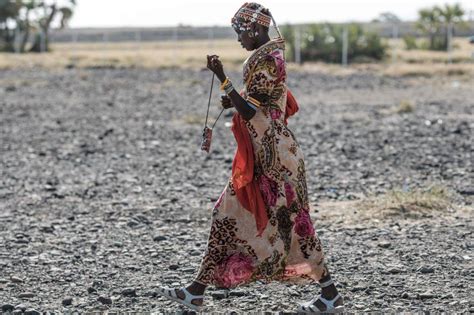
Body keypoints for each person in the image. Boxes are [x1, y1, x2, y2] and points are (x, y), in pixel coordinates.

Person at [158, 2, 344, 313]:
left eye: (240, 33)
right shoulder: (265, 57)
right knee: (226, 215)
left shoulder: (268, 61)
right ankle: (195, 290)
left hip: (277, 159)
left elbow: (251, 111)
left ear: (255, 29)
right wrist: (234, 96)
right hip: (263, 155)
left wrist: (223, 79)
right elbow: (261, 102)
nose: (239, 40)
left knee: (296, 224)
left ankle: (330, 293)